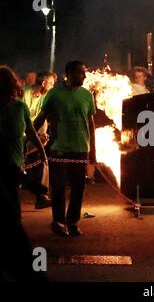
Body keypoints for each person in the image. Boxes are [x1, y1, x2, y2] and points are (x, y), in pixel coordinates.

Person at [34, 61, 96, 237]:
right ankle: (59, 222)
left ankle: (73, 222)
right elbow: (42, 116)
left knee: (78, 188)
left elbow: (90, 125)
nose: (84, 76)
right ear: (68, 74)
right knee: (59, 187)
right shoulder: (54, 94)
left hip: (80, 148)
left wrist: (93, 153)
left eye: (84, 73)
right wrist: (28, 137)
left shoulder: (86, 95)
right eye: (80, 73)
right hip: (59, 148)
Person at [0, 66, 47, 220]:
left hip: (15, 160)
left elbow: (31, 131)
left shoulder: (20, 107)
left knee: (13, 204)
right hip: (6, 162)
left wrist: (42, 151)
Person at [22, 71, 55, 209]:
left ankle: (42, 196)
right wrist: (31, 136)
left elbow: (43, 118)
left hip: (34, 134)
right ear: (43, 83)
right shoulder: (25, 94)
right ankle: (40, 194)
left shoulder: (45, 96)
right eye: (51, 84)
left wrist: (42, 135)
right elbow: (21, 119)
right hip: (22, 133)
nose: (53, 87)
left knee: (42, 161)